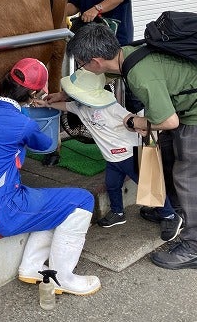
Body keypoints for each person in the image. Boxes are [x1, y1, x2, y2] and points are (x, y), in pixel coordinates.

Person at [66, 22, 197, 270]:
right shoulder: (126, 56)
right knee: (168, 159)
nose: (82, 68)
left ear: (95, 62)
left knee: (194, 178)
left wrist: (133, 120)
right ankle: (175, 211)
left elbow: (168, 121)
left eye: (82, 64)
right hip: (190, 108)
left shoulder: (139, 73)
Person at [0, 58, 100, 295]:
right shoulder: (22, 123)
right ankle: (63, 278)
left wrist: (24, 109)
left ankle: (31, 267)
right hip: (4, 210)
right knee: (82, 200)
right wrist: (31, 116)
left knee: (52, 204)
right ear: (34, 92)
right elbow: (46, 144)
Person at [47, 68, 183, 241]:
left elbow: (131, 118)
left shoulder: (112, 107)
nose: (70, 95)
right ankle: (118, 212)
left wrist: (140, 125)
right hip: (111, 159)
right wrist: (46, 104)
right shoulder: (80, 106)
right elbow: (65, 105)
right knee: (112, 185)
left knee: (149, 186)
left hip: (129, 154)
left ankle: (170, 216)